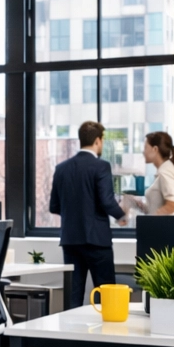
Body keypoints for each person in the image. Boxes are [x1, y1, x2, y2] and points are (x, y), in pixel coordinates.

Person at [49, 120, 126, 302]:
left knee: (73, 295)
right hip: (97, 240)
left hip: (70, 241)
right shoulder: (101, 166)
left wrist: (74, 213)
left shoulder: (61, 169)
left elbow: (54, 206)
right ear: (97, 140)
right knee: (106, 296)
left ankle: (70, 322)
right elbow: (107, 201)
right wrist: (121, 215)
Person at [131, 131, 174, 216]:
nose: (143, 152)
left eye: (146, 148)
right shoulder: (165, 169)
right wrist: (138, 204)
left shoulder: (166, 172)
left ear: (155, 149)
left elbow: (172, 205)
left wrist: (151, 219)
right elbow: (157, 207)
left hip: (166, 224)